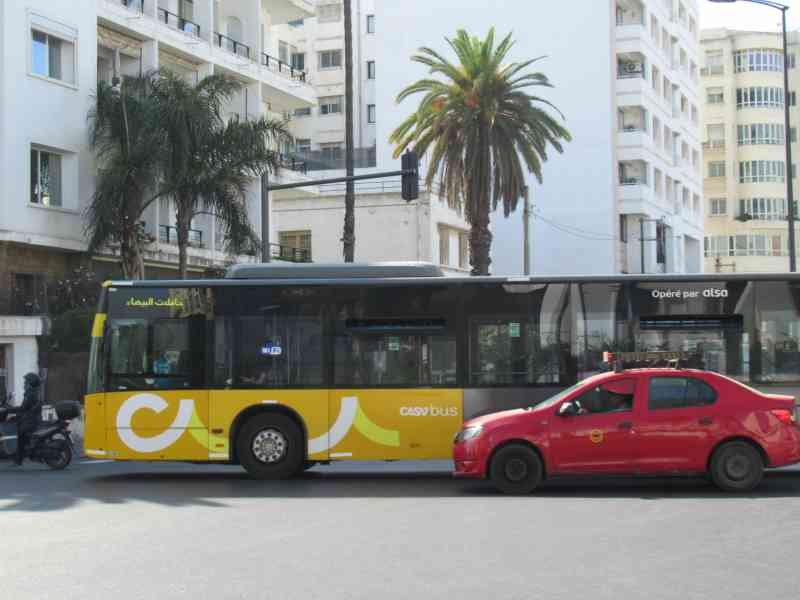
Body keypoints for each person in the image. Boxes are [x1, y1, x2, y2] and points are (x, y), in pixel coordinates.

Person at [8, 373, 42, 467]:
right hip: (31, 418)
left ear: (31, 383)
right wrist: (15, 414)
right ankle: (20, 458)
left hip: (31, 421)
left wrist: (9, 410)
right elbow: (26, 409)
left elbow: (23, 408)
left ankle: (18, 460)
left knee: (21, 436)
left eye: (26, 382)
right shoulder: (33, 393)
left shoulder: (30, 394)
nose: (24, 384)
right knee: (22, 435)